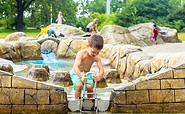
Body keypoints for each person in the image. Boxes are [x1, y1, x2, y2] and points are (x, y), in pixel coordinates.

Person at [70, 34, 104, 99]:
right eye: (93, 52)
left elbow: (101, 68)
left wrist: (99, 76)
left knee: (90, 87)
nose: (95, 54)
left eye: (97, 53)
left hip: (86, 73)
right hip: (77, 72)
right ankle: (77, 101)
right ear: (88, 46)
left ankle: (91, 102)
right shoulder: (81, 54)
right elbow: (75, 66)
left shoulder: (96, 57)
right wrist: (81, 76)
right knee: (79, 85)